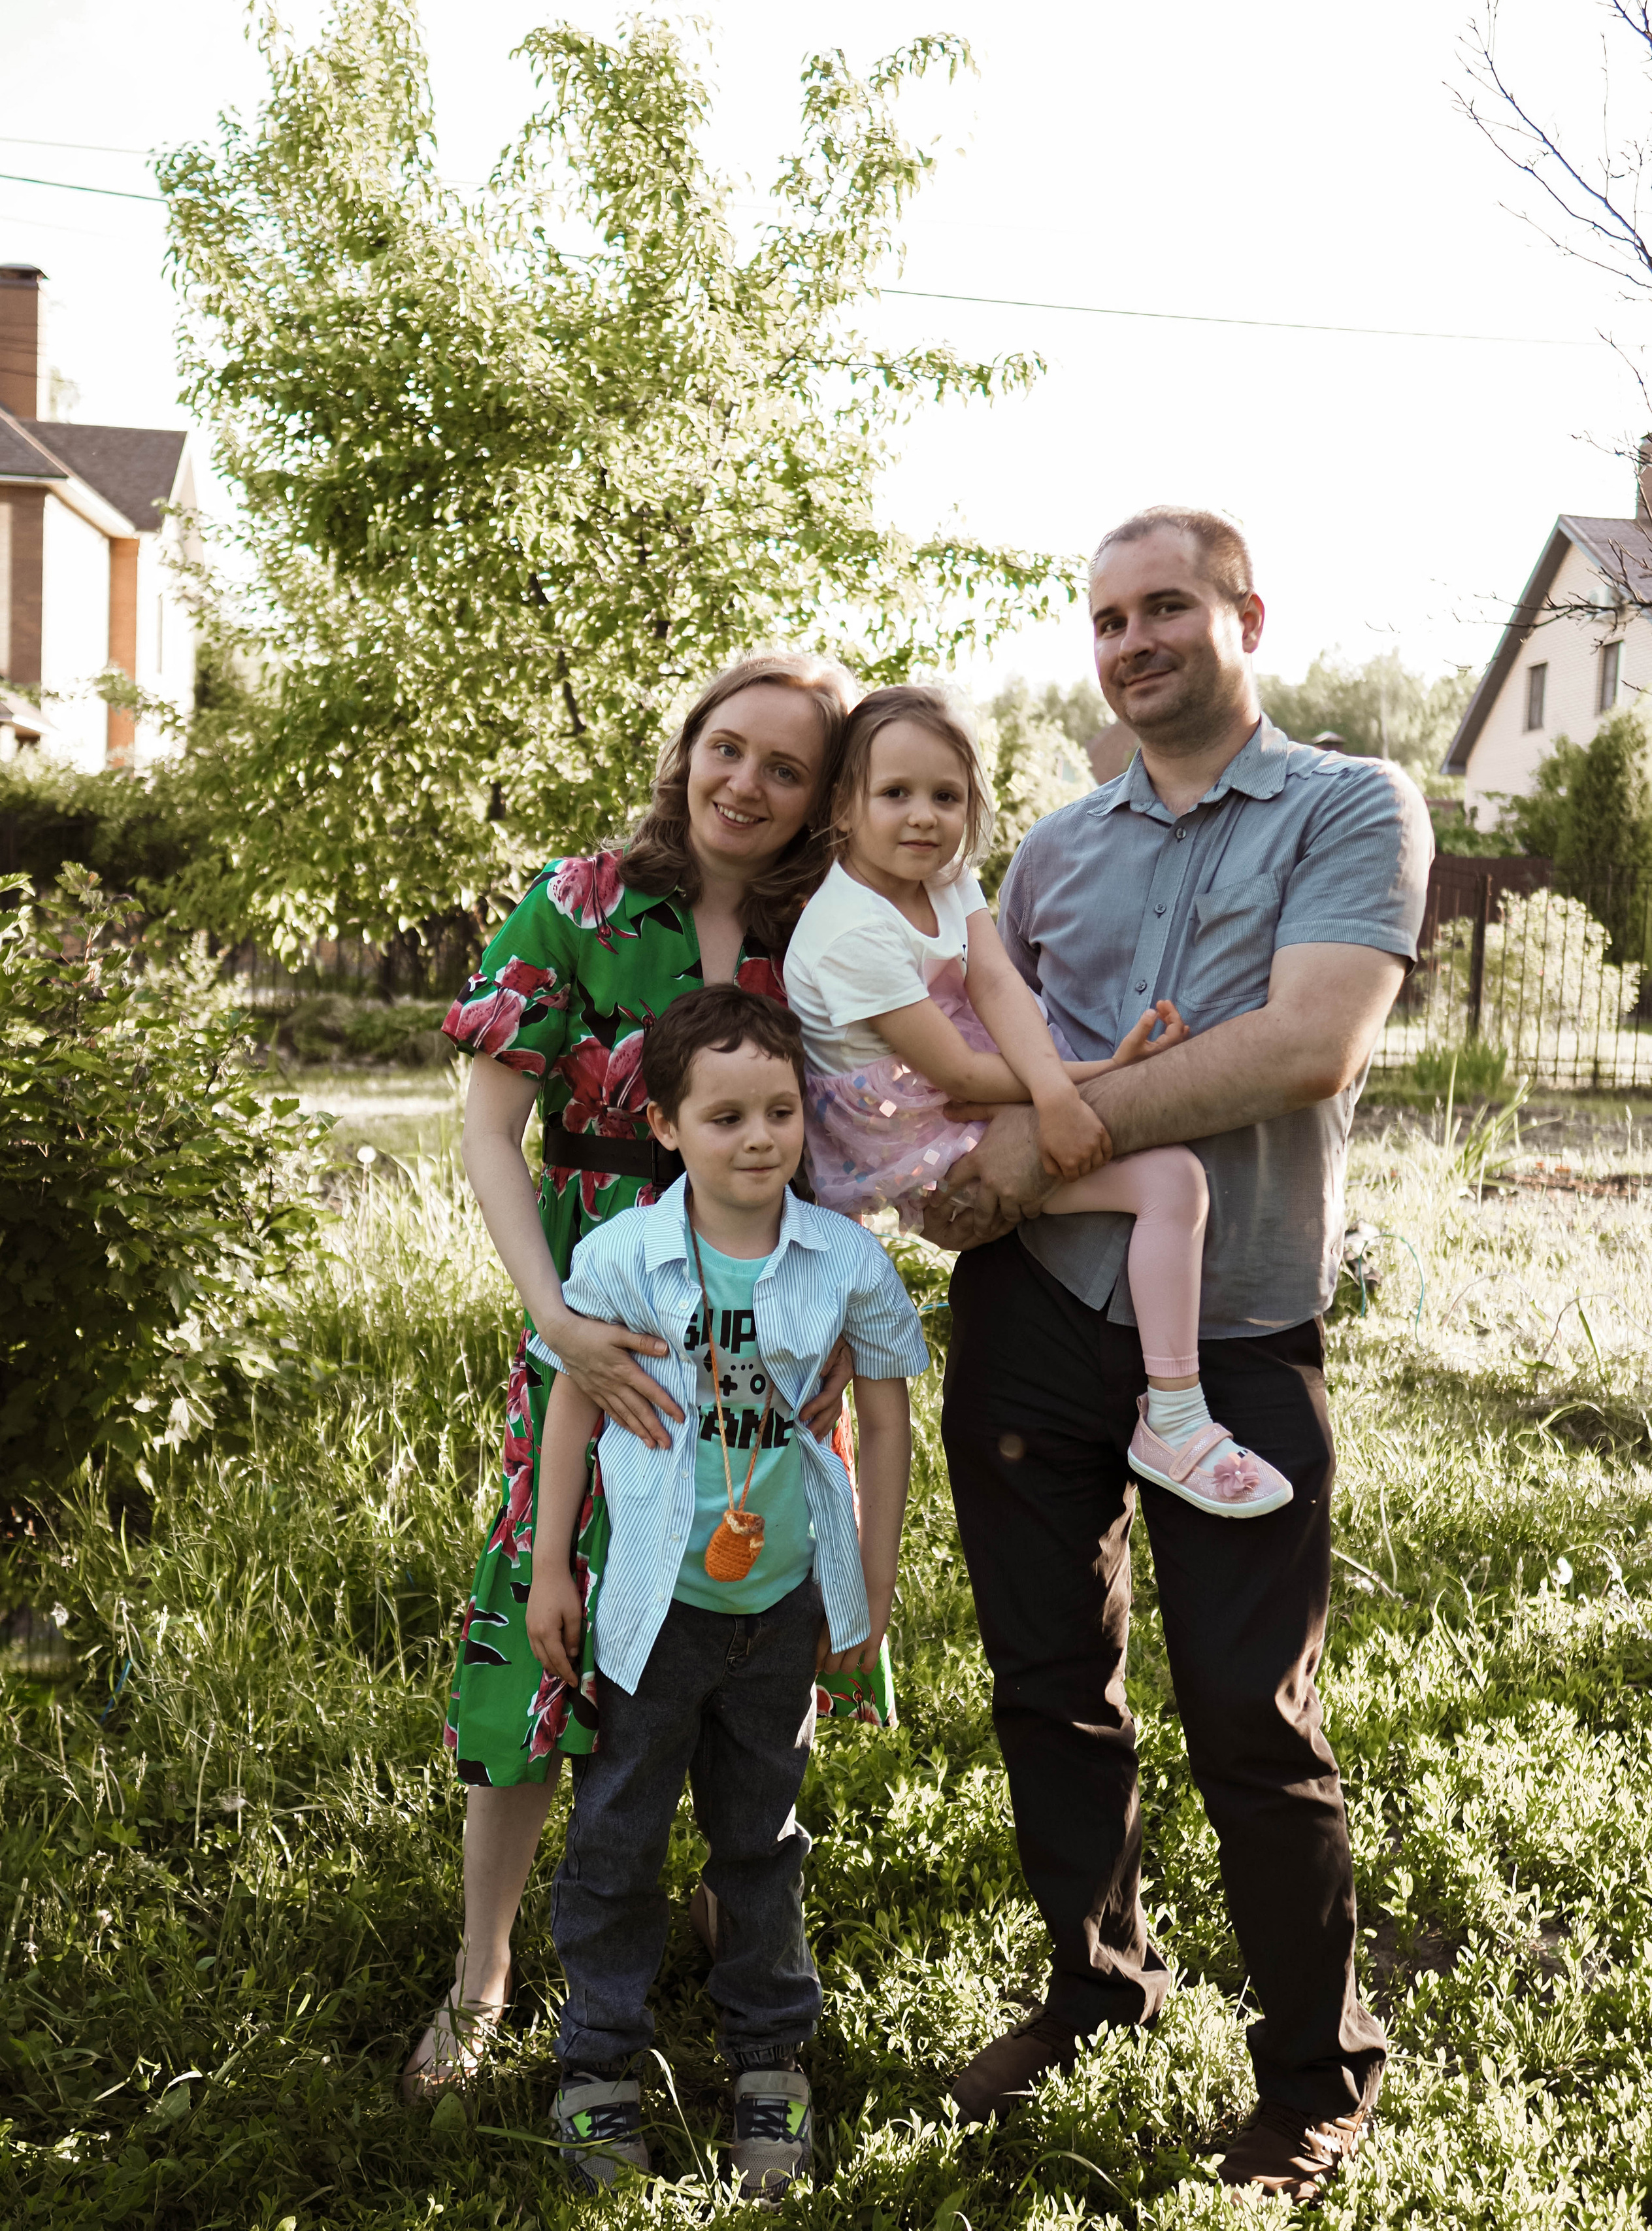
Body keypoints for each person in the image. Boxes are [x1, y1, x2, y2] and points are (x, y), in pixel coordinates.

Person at [926, 508, 1431, 2205]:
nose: (1131, 640)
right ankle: (1096, 1981)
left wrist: (1042, 1144)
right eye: (1107, 619)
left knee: (1247, 1708)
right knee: (1049, 1681)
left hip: (1234, 1332)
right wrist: (954, 1164)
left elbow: (1308, 1043)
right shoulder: (1055, 850)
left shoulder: (1352, 805)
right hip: (1031, 1323)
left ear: (1245, 615)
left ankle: (1312, 2073)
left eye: (1164, 609)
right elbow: (980, 1059)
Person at [402, 650, 863, 2103]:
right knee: (544, 1636)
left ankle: (737, 1903)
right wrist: (557, 1325)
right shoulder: (582, 901)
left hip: (770, 1321)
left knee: (744, 1604)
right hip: (600, 1307)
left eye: (786, 767)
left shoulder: (833, 934)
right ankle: (482, 1976)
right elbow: (489, 1129)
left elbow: (883, 1125)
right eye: (727, 748)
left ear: (818, 797)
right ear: (688, 749)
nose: (746, 783)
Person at [525, 985, 927, 2195]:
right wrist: (551, 1563)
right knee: (615, 1839)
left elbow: (887, 1411)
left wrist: (876, 1579)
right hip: (654, 1614)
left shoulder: (843, 1259)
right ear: (664, 1126)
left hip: (782, 1609)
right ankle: (598, 2066)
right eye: (725, 1116)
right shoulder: (621, 1257)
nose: (759, 1138)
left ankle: (768, 2061)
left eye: (781, 1110)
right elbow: (573, 1403)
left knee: (761, 1840)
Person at [785, 682, 1292, 1517]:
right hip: (912, 1137)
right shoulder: (848, 931)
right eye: (895, 794)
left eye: (945, 796)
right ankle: (1173, 1417)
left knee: (1165, 1179)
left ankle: (1169, 1408)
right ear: (845, 805)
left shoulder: (940, 875)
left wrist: (1074, 1077)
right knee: (1172, 1183)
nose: (923, 817)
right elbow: (961, 1079)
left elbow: (997, 984)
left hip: (966, 1091)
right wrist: (1086, 1083)